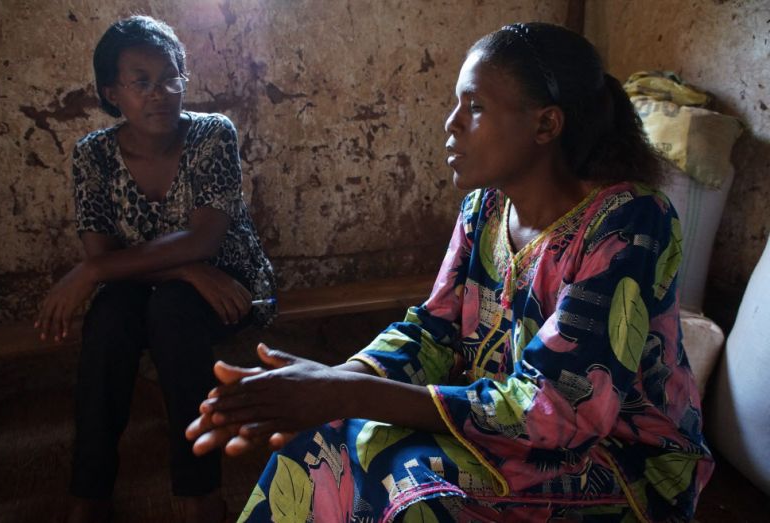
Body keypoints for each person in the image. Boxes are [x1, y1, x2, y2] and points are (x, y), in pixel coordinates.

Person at [186, 22, 713, 522]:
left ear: (546, 124)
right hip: (507, 435)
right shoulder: (484, 209)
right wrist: (324, 385)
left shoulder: (629, 223)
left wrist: (344, 393)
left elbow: (560, 409)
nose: (451, 123)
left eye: (476, 106)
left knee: (412, 496)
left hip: (622, 463)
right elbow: (433, 332)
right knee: (318, 441)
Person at [34, 15, 276, 523]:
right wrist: (185, 270)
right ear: (111, 92)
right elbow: (102, 257)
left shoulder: (212, 135)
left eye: (170, 77)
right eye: (140, 82)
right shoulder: (92, 156)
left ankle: (199, 492)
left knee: (170, 313)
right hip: (156, 285)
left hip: (227, 282)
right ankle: (90, 491)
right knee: (110, 319)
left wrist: (97, 272)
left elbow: (205, 240)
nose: (159, 92)